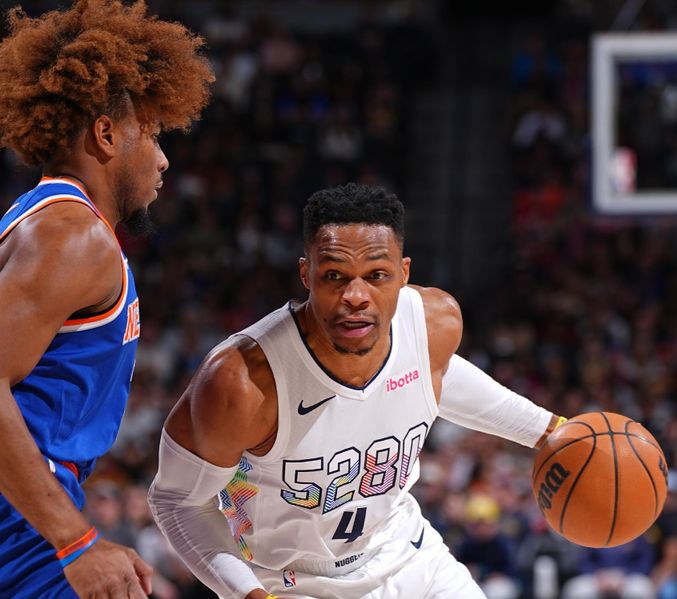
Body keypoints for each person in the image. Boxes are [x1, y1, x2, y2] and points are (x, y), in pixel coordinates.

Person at [148, 183, 566, 599]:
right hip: (287, 580)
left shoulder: (434, 324)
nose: (356, 296)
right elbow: (178, 503)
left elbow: (437, 376)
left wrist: (551, 431)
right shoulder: (241, 381)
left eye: (376, 276)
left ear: (403, 274)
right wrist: (248, 595)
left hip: (406, 555)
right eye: (334, 276)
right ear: (305, 274)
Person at [0, 1, 214, 597]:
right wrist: (74, 540)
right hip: (20, 524)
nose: (164, 160)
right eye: (153, 135)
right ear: (106, 133)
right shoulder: (71, 235)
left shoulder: (42, 222)